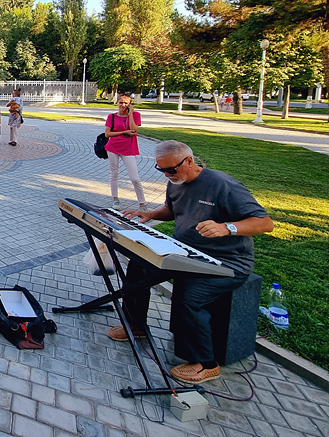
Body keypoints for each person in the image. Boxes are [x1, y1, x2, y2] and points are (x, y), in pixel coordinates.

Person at [109, 140, 274, 384]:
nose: (167, 175)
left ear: (188, 161)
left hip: (226, 261)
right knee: (139, 266)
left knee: (190, 295)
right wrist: (151, 214)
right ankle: (136, 325)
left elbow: (265, 223)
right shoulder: (175, 182)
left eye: (171, 170)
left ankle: (206, 363)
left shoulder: (223, 185)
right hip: (185, 251)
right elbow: (172, 209)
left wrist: (227, 228)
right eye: (161, 170)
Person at [105, 93, 147, 211]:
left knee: (135, 178)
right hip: (113, 148)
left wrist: (131, 114)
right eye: (121, 102)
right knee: (114, 174)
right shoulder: (111, 117)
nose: (123, 105)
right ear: (117, 103)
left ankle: (142, 203)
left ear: (130, 105)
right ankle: (115, 199)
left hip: (129, 149)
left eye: (126, 103)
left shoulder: (136, 115)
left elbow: (134, 129)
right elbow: (107, 134)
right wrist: (124, 132)